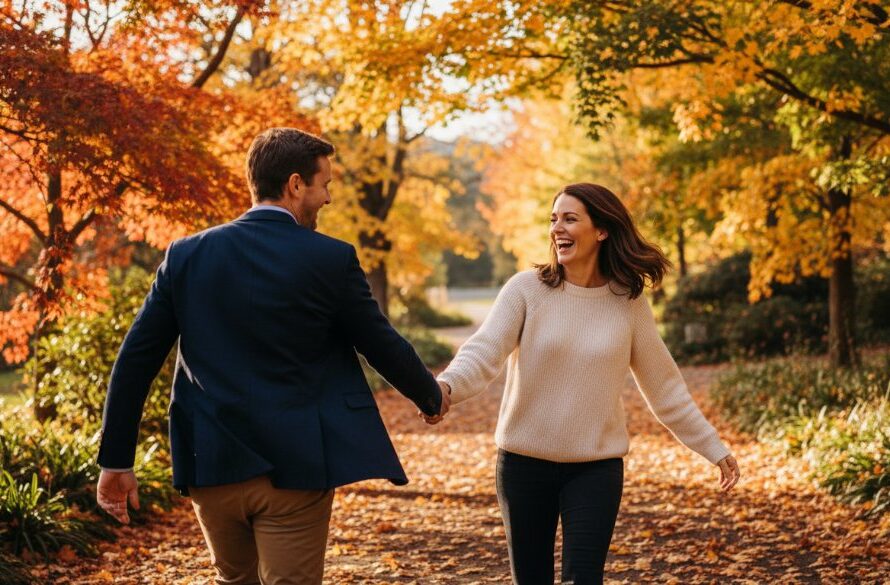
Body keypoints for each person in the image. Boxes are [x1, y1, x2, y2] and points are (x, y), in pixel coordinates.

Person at [96, 127, 450, 585]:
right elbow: (378, 341)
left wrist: (116, 461)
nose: (327, 199)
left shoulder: (186, 255)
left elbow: (136, 360)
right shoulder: (330, 258)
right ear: (296, 184)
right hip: (295, 468)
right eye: (324, 185)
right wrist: (430, 396)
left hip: (212, 464)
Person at [430, 183, 740, 585]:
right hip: (524, 464)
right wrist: (446, 388)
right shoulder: (526, 290)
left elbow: (665, 388)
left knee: (584, 578)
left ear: (602, 230)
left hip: (595, 470)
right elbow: (484, 350)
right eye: (554, 219)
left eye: (570, 218)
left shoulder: (628, 302)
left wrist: (713, 447)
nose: (557, 228)